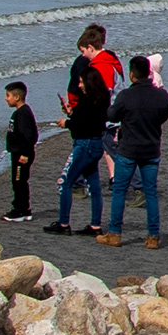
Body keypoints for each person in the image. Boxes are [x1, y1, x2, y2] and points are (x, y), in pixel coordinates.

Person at [47, 26, 117, 236]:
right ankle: (95, 224)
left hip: (85, 143)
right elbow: (89, 119)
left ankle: (63, 223)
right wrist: (72, 114)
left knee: (65, 182)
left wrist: (66, 122)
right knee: (94, 184)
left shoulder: (88, 102)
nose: (78, 84)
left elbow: (80, 124)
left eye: (80, 81)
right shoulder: (101, 99)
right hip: (96, 143)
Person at [108, 54, 168, 246]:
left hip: (129, 148)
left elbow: (111, 115)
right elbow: (165, 113)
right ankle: (153, 236)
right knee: (150, 192)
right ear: (149, 73)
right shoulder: (161, 95)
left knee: (119, 190)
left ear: (131, 74)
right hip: (151, 148)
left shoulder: (126, 96)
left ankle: (114, 233)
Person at [2, 82, 39, 224]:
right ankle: (24, 209)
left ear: (17, 97)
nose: (6, 99)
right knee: (18, 181)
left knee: (19, 182)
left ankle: (19, 210)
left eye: (8, 95)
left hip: (22, 154)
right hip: (18, 153)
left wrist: (25, 154)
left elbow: (30, 136)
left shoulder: (23, 113)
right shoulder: (19, 112)